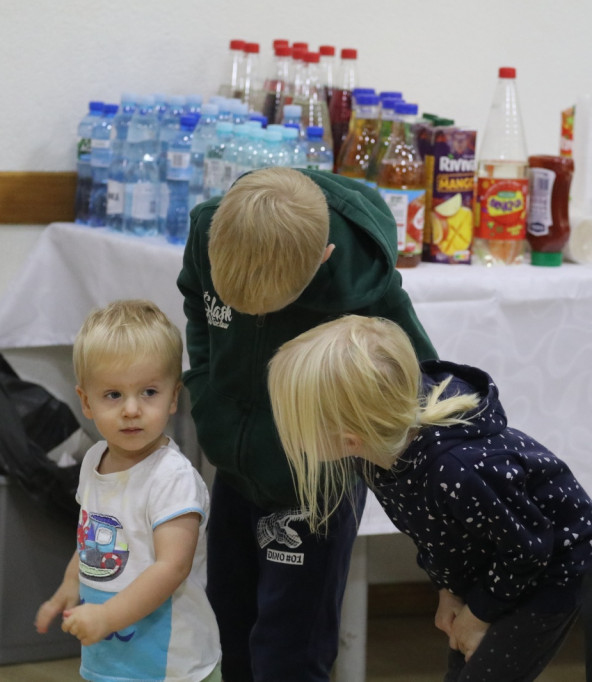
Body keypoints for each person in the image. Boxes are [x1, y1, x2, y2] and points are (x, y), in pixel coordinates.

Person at [177, 166, 436, 681]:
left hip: (319, 485)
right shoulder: (212, 230)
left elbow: (419, 376)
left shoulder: (359, 274)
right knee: (228, 620)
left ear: (322, 260)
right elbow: (197, 312)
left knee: (290, 649)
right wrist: (207, 396)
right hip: (234, 469)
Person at [266, 315, 592, 682]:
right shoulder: (379, 456)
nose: (289, 435)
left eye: (296, 425)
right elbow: (438, 535)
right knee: (463, 665)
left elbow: (529, 549)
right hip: (494, 560)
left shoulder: (458, 470)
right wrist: (449, 592)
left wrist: (478, 614)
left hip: (552, 566)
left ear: (349, 439)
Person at [35, 299, 221, 682]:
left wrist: (107, 616)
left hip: (170, 665)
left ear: (174, 397)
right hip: (109, 660)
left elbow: (173, 567)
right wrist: (70, 584)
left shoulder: (171, 478)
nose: (132, 409)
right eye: (113, 395)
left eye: (149, 392)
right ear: (86, 401)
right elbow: (90, 539)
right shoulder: (94, 460)